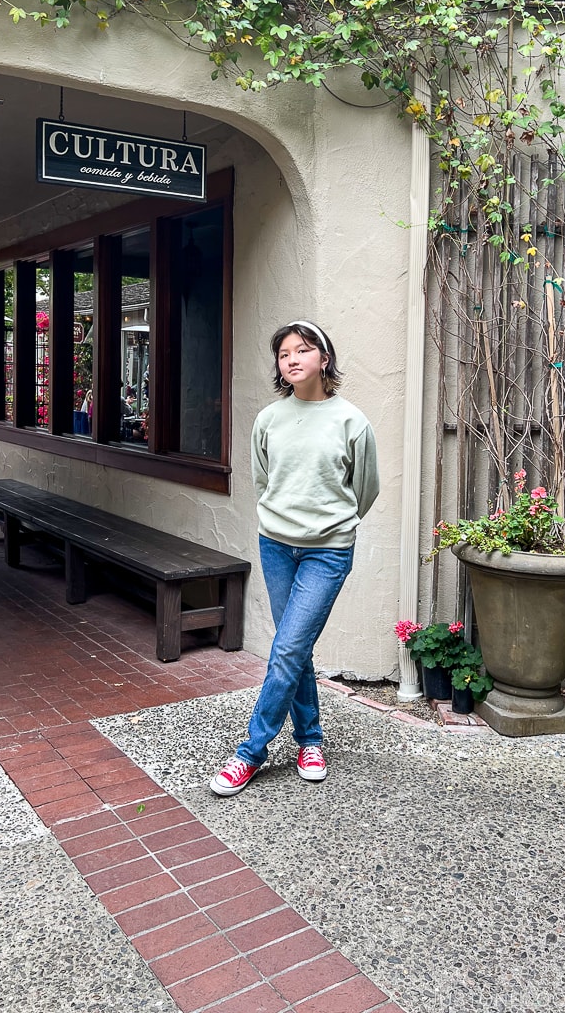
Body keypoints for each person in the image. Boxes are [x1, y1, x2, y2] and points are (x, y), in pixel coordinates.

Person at [210, 319, 379, 796]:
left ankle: (250, 753)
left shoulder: (351, 421)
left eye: (303, 351)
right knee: (294, 646)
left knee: (285, 648)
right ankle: (310, 740)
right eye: (285, 354)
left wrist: (336, 524)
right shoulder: (269, 419)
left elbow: (365, 489)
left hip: (328, 551)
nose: (292, 359)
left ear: (324, 359)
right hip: (276, 545)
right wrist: (280, 519)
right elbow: (263, 481)